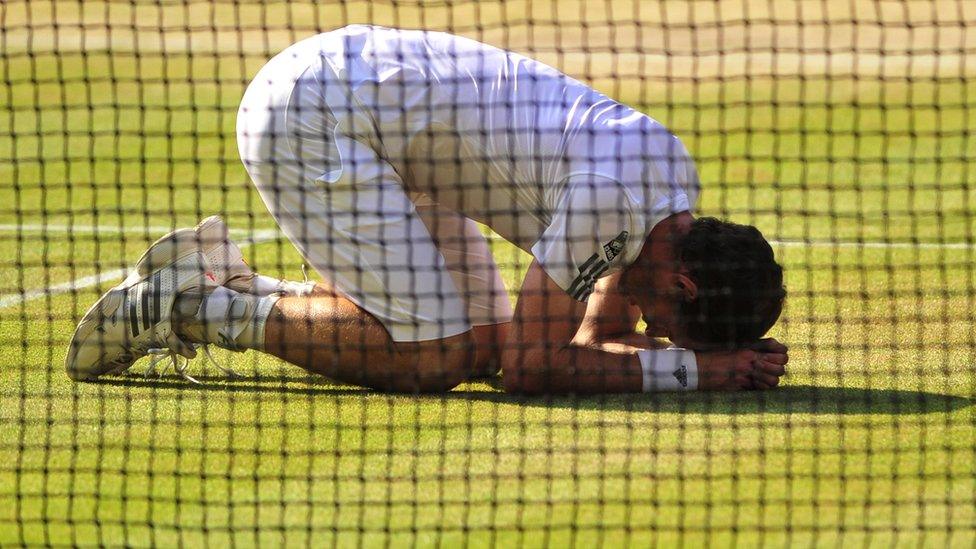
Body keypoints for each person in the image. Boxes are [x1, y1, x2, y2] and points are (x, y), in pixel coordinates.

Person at [66, 25, 788, 394]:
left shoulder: (672, 191)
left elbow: (595, 338)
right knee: (437, 356)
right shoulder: (619, 203)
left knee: (478, 338)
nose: (652, 328)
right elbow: (531, 367)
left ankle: (243, 288)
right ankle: (187, 304)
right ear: (682, 282)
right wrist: (697, 372)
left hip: (367, 113)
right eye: (668, 323)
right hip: (317, 115)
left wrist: (702, 353)